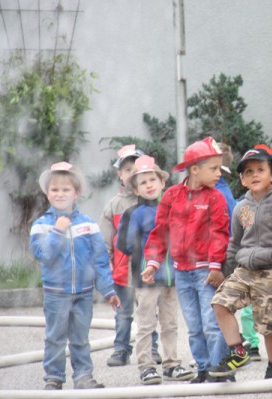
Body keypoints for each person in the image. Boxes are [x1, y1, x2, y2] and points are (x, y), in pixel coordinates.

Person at [210, 144, 272, 379]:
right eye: (248, 172)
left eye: (260, 170)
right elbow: (235, 241)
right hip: (244, 269)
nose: (254, 175)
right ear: (242, 180)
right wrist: (227, 272)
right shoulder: (240, 208)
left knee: (267, 325)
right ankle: (238, 352)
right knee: (220, 303)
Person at [144, 136, 231, 384]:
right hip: (182, 272)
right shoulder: (171, 196)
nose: (218, 174)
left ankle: (219, 369)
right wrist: (152, 263)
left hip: (206, 271)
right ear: (195, 169)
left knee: (211, 323)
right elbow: (160, 232)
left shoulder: (215, 198)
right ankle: (203, 368)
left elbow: (219, 233)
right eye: (213, 168)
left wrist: (215, 266)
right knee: (194, 325)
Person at [30, 162, 121, 390]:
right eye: (55, 190)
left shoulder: (89, 225)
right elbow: (44, 255)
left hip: (83, 293)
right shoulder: (41, 225)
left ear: (77, 193)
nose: (60, 194)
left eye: (66, 189)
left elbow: (100, 261)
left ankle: (83, 377)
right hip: (55, 294)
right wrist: (58, 231)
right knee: (55, 338)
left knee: (81, 339)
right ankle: (54, 378)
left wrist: (109, 290)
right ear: (47, 193)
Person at [116, 155, 194, 385]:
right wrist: (148, 246)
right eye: (143, 182)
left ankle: (171, 364)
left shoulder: (172, 208)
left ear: (162, 183)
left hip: (171, 277)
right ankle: (146, 366)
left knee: (170, 323)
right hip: (146, 278)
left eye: (153, 179)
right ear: (135, 189)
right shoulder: (133, 213)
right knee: (146, 324)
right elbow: (124, 244)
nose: (149, 185)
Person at [99, 144, 160, 367]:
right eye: (127, 170)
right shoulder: (113, 206)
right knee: (123, 314)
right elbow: (105, 243)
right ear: (120, 175)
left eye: (136, 168)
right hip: (123, 272)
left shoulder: (154, 204)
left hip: (146, 271)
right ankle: (121, 349)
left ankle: (152, 349)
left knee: (148, 313)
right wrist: (106, 271)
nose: (132, 173)